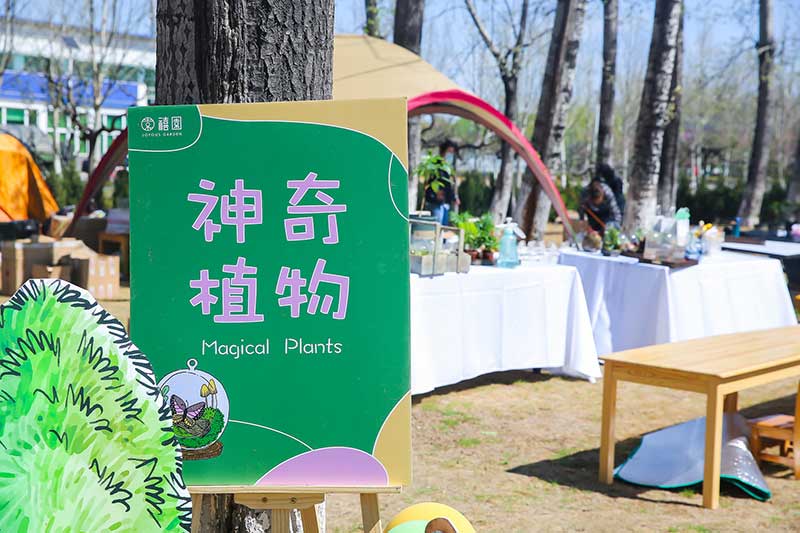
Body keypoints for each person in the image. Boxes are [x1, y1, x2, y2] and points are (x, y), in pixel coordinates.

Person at [424, 141, 459, 225]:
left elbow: (447, 185)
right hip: (435, 201)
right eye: (449, 152)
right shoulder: (435, 164)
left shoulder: (447, 167)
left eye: (452, 153)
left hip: (444, 202)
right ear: (443, 151)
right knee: (437, 225)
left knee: (443, 226)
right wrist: (436, 192)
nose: (451, 155)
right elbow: (430, 182)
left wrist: (454, 197)